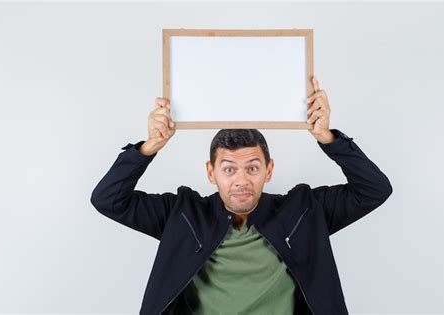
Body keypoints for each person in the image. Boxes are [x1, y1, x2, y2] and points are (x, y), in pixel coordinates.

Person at [90, 76, 392, 314]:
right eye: (229, 169)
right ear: (212, 173)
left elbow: (374, 189)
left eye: (252, 167)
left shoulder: (304, 210)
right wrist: (148, 147)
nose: (241, 180)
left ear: (269, 169)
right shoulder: (182, 214)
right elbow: (107, 199)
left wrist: (328, 138)